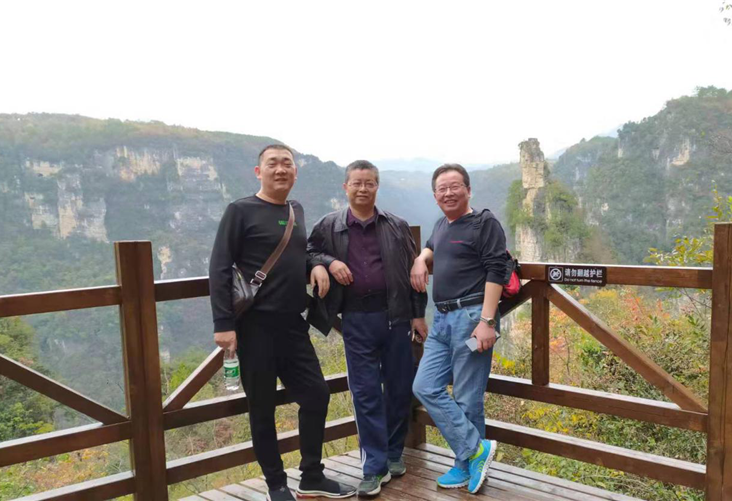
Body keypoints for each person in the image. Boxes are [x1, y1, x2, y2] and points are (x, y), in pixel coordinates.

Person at [209, 144, 356, 501]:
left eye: (287, 164)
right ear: (258, 171)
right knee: (262, 408)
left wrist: (315, 265)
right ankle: (276, 484)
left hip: (292, 325)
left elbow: (298, 253)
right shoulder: (240, 210)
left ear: (295, 172)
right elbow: (219, 267)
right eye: (272, 164)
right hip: (254, 327)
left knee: (316, 395)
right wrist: (223, 324)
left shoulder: (295, 210)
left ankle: (312, 475)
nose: (280, 169)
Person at [307, 160, 428, 497]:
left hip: (396, 317)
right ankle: (373, 467)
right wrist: (327, 262)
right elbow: (307, 252)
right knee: (365, 392)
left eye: (369, 183)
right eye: (357, 183)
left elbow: (414, 273)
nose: (363, 188)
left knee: (400, 387)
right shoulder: (329, 225)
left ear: (377, 186)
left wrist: (418, 315)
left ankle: (393, 453)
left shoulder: (395, 225)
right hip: (356, 320)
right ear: (345, 187)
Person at [410, 164, 508, 494]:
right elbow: (431, 245)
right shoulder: (442, 224)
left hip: (471, 318)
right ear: (435, 195)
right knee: (425, 386)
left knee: (467, 395)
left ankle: (465, 464)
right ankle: (476, 449)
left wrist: (487, 321)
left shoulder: (484, 222)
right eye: (442, 188)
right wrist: (421, 258)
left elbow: (496, 269)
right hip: (441, 320)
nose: (448, 193)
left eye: (455, 186)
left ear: (468, 190)